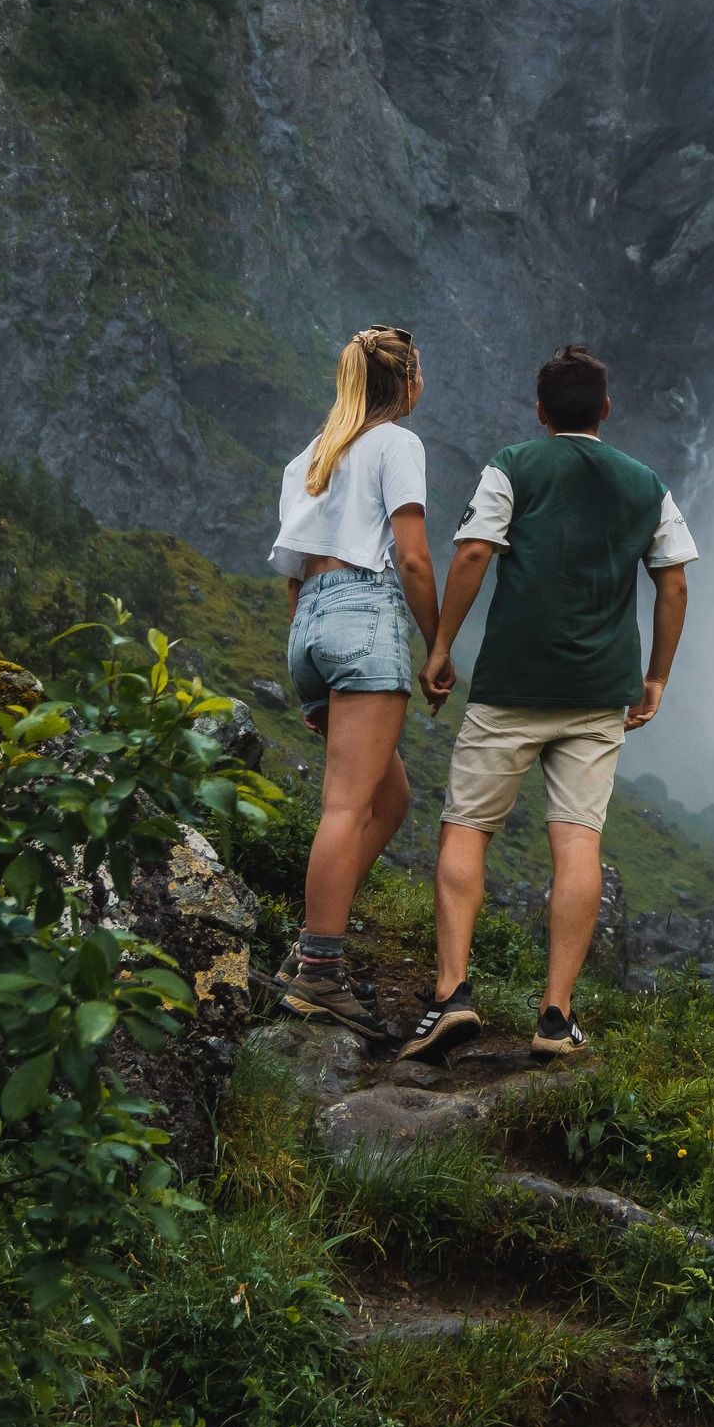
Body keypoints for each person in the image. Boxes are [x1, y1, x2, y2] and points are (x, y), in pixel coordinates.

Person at [402, 341, 694, 1065]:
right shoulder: (645, 482)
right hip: (600, 693)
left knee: (467, 828)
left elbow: (472, 553)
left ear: (539, 411)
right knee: (577, 843)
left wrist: (440, 648)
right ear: (605, 408)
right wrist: (656, 677)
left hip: (511, 684)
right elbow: (675, 582)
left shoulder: (514, 465)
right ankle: (555, 1016)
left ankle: (451, 993)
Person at [268, 324, 436, 1041]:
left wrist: (312, 665)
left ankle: (313, 937)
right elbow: (415, 558)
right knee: (345, 807)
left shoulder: (308, 457)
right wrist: (440, 646)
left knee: (388, 797)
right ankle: (319, 975)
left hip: (309, 624)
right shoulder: (397, 444)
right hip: (365, 613)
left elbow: (294, 573)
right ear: (407, 383)